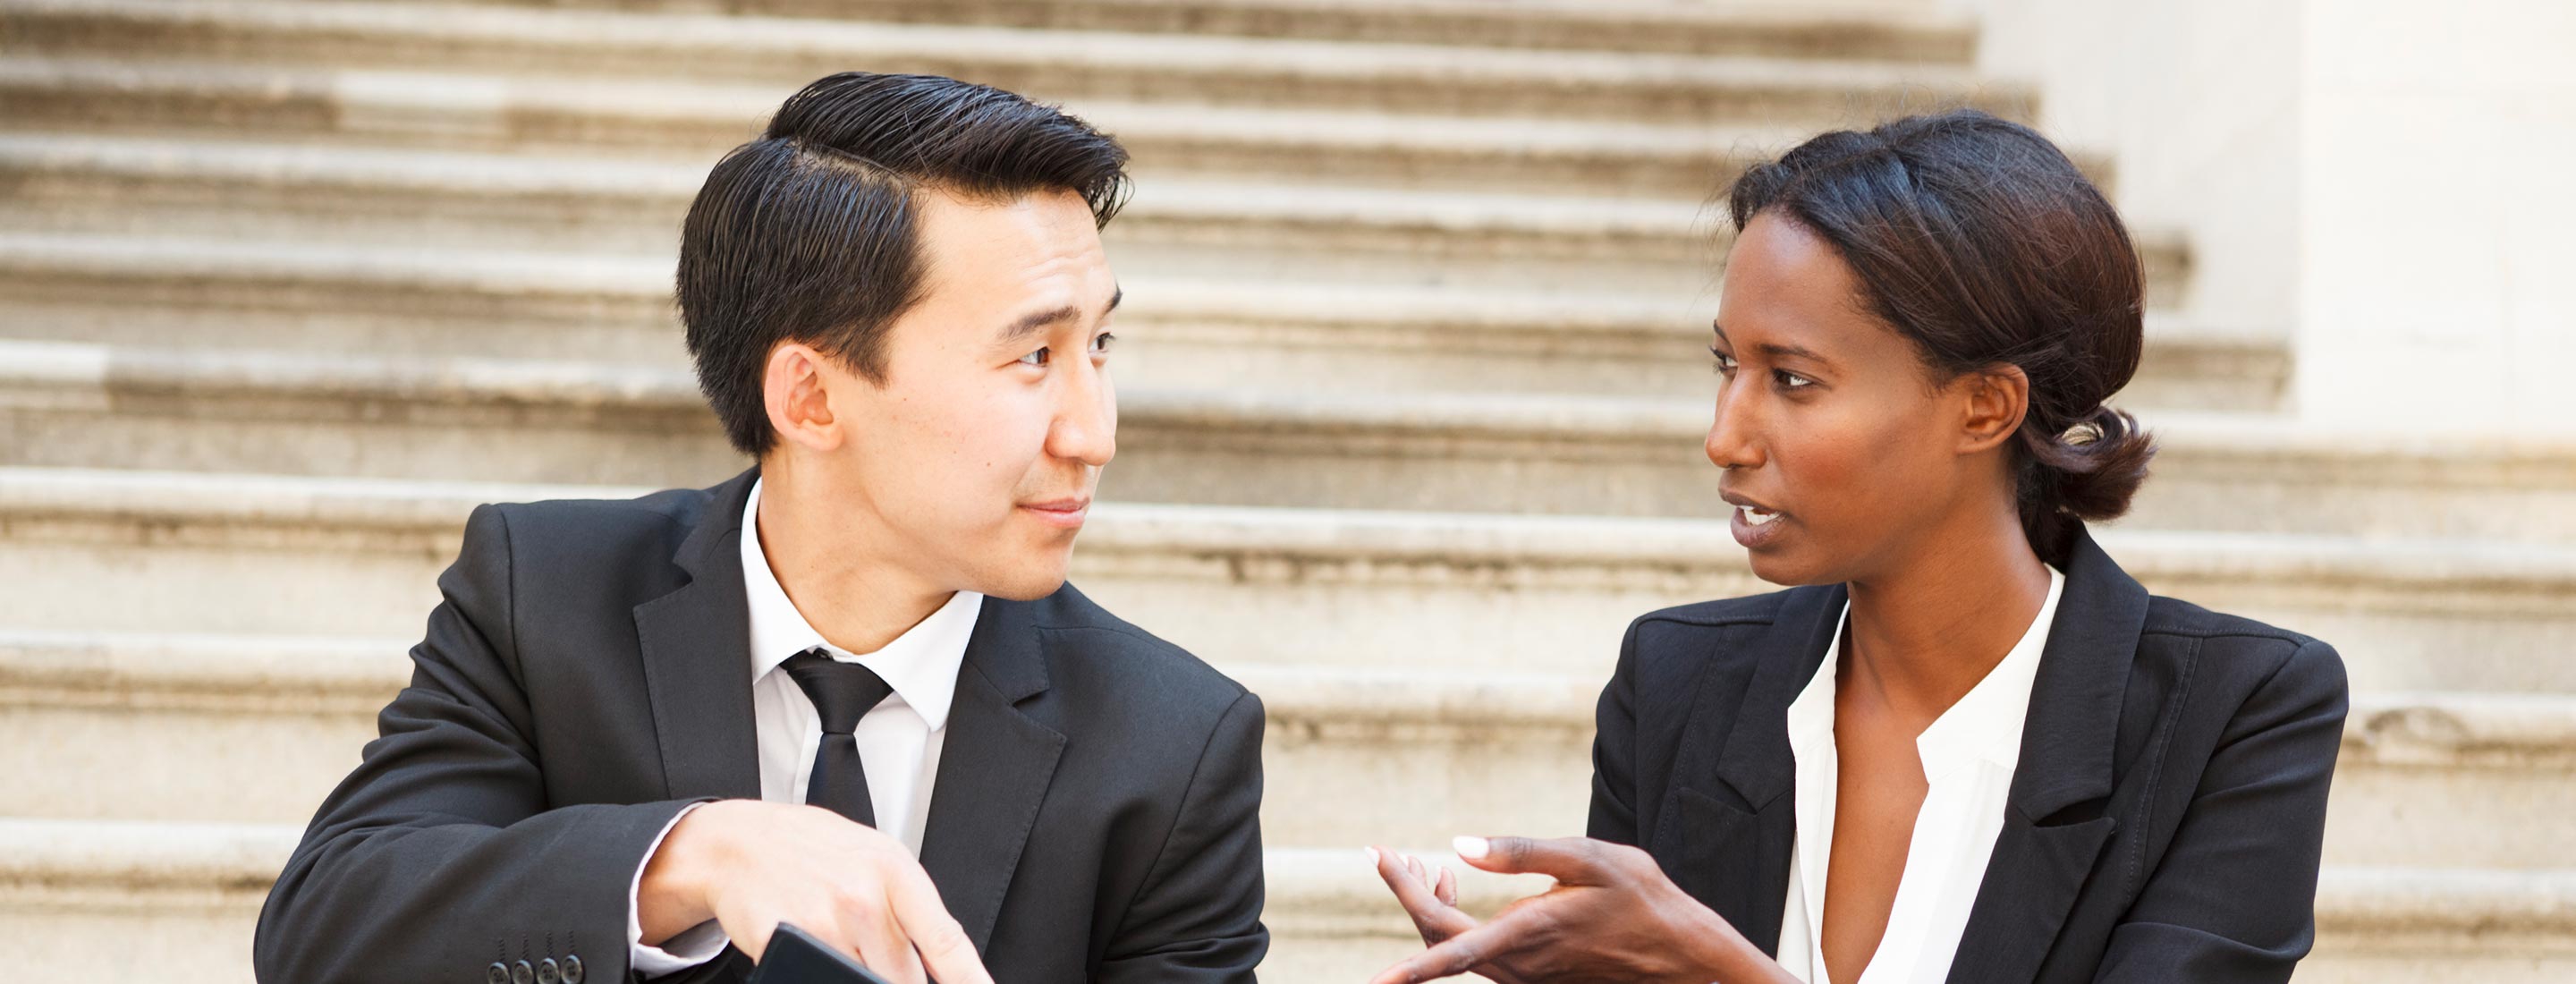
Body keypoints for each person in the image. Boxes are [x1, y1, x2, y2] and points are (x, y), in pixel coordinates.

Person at [253, 72, 1267, 984]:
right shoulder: (542, 595)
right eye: (1034, 357)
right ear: (813, 398)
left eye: (1099, 342)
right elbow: (329, 928)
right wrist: (695, 855)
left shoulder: (1174, 744)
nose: (1095, 432)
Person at [1367, 110, 2348, 984]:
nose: (1725, 435)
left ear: (1985, 406)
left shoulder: (2236, 712)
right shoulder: (1676, 683)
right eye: (1727, 364)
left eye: (1791, 379)